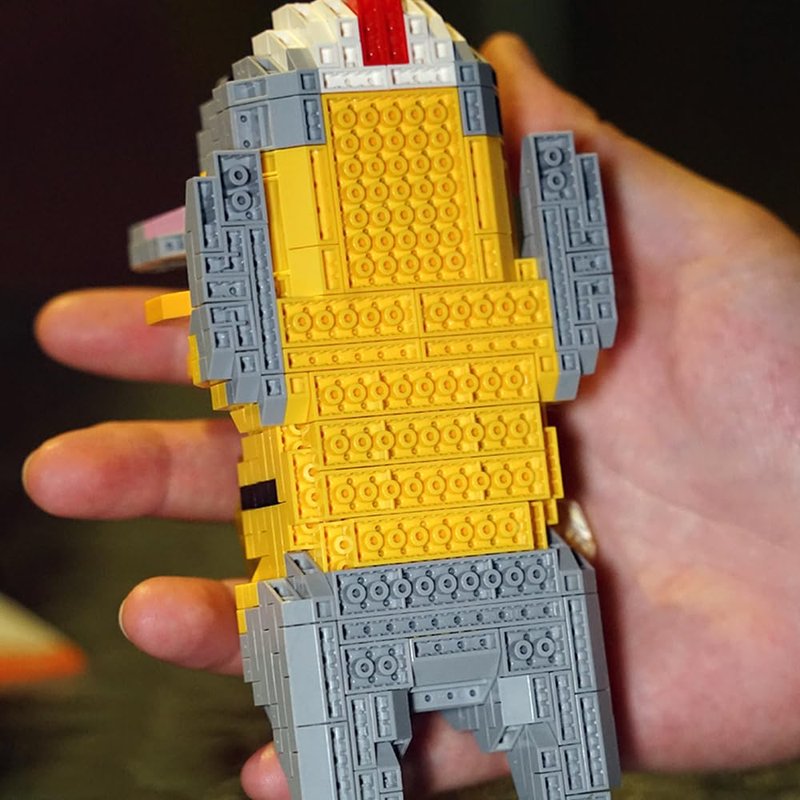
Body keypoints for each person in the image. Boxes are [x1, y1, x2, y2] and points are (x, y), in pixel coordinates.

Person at [22, 33, 800, 800]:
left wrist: (563, 201)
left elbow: (570, 334)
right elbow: (244, 349)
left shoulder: (487, 305)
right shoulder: (295, 308)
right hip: (367, 577)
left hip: (494, 567)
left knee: (546, 757)